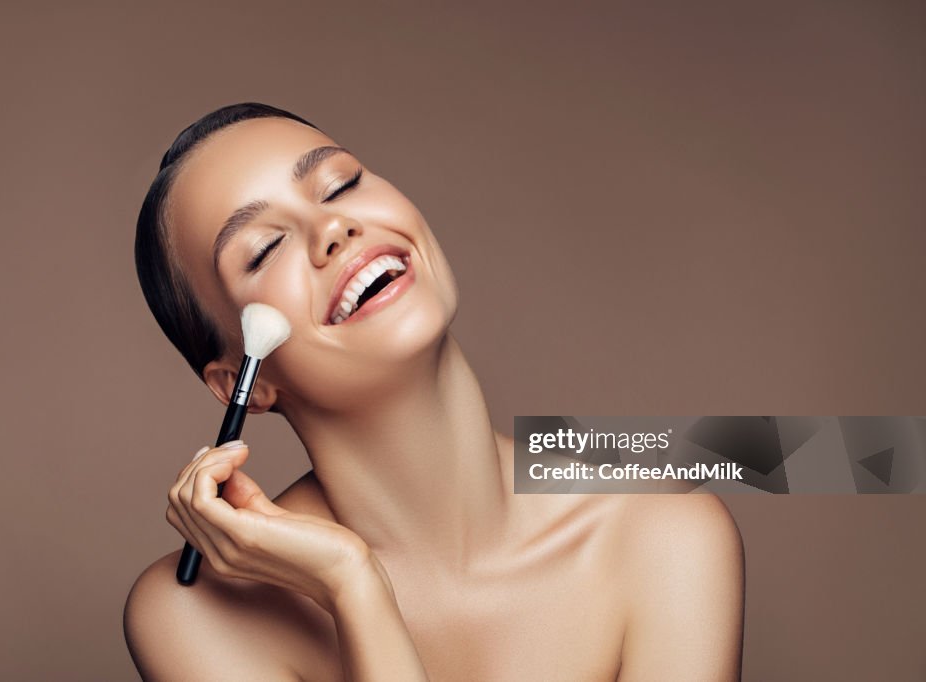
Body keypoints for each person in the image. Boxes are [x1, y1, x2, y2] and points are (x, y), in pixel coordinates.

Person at [123, 103, 745, 681]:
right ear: (242, 384)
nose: (334, 227)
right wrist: (352, 583)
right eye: (265, 249)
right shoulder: (192, 615)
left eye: (340, 185)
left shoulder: (667, 539)